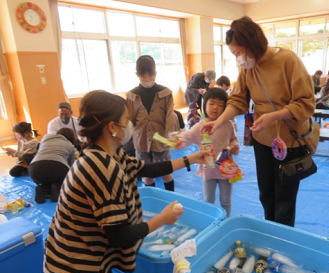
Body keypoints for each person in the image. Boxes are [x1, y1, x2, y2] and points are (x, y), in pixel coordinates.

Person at [43, 90, 208, 273]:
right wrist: (163, 219)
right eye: (127, 120)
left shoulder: (108, 152)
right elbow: (119, 236)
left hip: (88, 260)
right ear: (113, 127)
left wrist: (191, 159)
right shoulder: (102, 169)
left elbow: (148, 169)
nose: (130, 125)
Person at [200, 17, 316, 227]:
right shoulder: (248, 66)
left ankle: (281, 240)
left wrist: (273, 115)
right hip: (263, 140)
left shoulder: (288, 61)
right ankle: (269, 232)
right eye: (234, 54)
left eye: (238, 52)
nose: (238, 59)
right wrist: (219, 122)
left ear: (252, 44)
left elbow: (306, 103)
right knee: (266, 192)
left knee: (284, 198)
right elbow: (238, 99)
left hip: (289, 141)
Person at [173, 88, 239, 217]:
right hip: (208, 170)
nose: (216, 108)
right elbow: (187, 137)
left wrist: (234, 147)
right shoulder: (200, 126)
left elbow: (234, 140)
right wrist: (176, 141)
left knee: (226, 201)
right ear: (204, 105)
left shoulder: (228, 124)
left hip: (226, 169)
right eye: (211, 103)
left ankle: (226, 221)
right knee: (209, 200)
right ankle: (212, 222)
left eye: (221, 105)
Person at [126, 55, 177, 191]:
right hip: (141, 141)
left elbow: (170, 116)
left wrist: (170, 137)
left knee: (166, 173)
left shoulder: (165, 93)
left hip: (161, 141)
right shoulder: (131, 95)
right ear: (137, 75)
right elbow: (129, 119)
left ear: (156, 73)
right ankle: (153, 200)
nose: (147, 79)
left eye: (151, 75)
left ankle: (170, 199)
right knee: (147, 176)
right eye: (143, 76)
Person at [29, 128, 76, 203]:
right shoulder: (70, 145)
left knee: (46, 176)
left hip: (34, 170)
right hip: (57, 167)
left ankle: (43, 187)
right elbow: (71, 166)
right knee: (64, 178)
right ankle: (57, 187)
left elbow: (38, 151)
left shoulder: (45, 138)